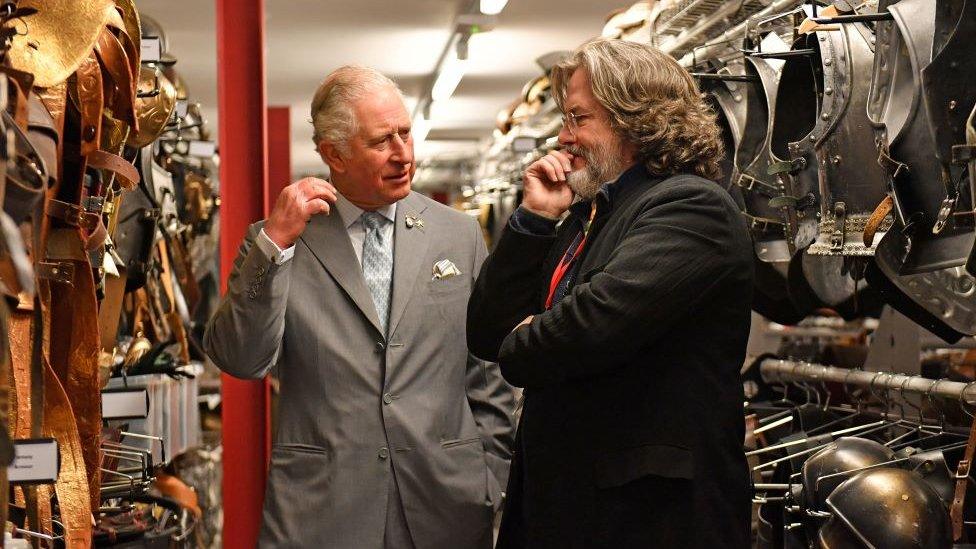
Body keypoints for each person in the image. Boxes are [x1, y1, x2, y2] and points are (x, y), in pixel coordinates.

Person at [205, 65, 515, 548]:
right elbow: (241, 359)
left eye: (405, 133)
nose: (403, 154)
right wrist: (274, 245)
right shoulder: (281, 239)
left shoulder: (458, 234)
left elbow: (487, 367)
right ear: (334, 154)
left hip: (446, 505)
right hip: (321, 511)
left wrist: (489, 475)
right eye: (381, 142)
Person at [467, 39, 754, 548]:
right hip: (569, 507)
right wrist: (534, 220)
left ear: (636, 121)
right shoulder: (587, 213)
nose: (563, 136)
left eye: (578, 118)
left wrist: (538, 333)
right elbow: (488, 333)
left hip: (648, 520)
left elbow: (586, 329)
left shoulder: (690, 207)